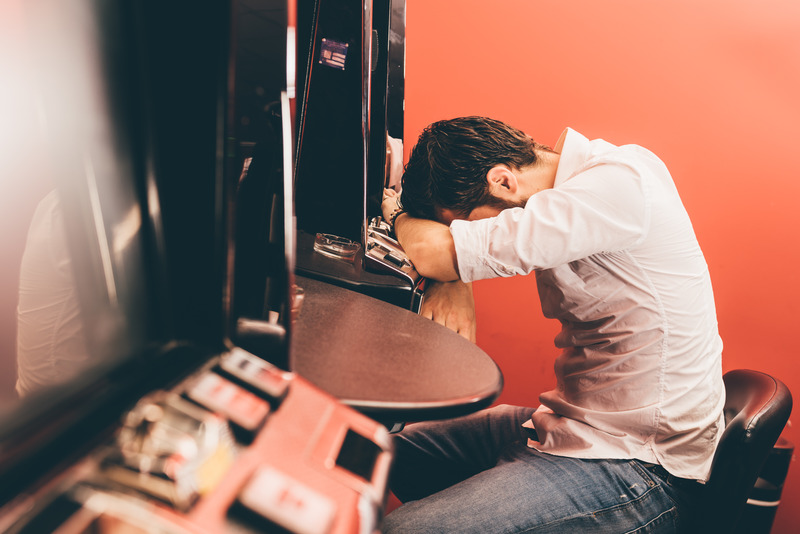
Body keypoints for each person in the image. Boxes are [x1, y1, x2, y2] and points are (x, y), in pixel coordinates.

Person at [379, 116, 724, 533]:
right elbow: (442, 255)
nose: (472, 233)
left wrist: (407, 224)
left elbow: (432, 253)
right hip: (578, 427)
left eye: (464, 225)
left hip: (640, 466)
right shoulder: (577, 186)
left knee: (403, 530)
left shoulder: (616, 186)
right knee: (377, 452)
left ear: (503, 181)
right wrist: (454, 278)